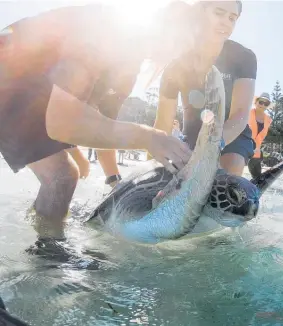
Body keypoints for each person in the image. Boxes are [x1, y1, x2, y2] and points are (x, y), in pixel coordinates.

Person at [0, 2, 196, 243]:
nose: (180, 49)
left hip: (28, 88)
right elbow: (63, 120)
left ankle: (44, 235)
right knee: (61, 177)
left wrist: (114, 180)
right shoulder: (106, 31)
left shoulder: (129, 69)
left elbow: (102, 125)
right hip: (10, 74)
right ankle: (46, 261)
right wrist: (148, 137)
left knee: (64, 176)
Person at [153, 0, 257, 176]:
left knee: (224, 179)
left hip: (232, 136)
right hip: (191, 138)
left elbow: (240, 113)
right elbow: (163, 123)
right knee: (164, 179)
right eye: (219, 13)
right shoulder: (175, 65)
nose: (226, 22)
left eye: (232, 18)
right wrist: (152, 164)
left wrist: (212, 145)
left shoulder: (244, 57)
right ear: (202, 13)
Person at [247, 92, 273, 178]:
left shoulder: (269, 120)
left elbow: (260, 137)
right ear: (256, 102)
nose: (263, 105)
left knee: (257, 178)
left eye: (266, 103)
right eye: (261, 102)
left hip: (256, 153)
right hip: (243, 148)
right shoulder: (246, 113)